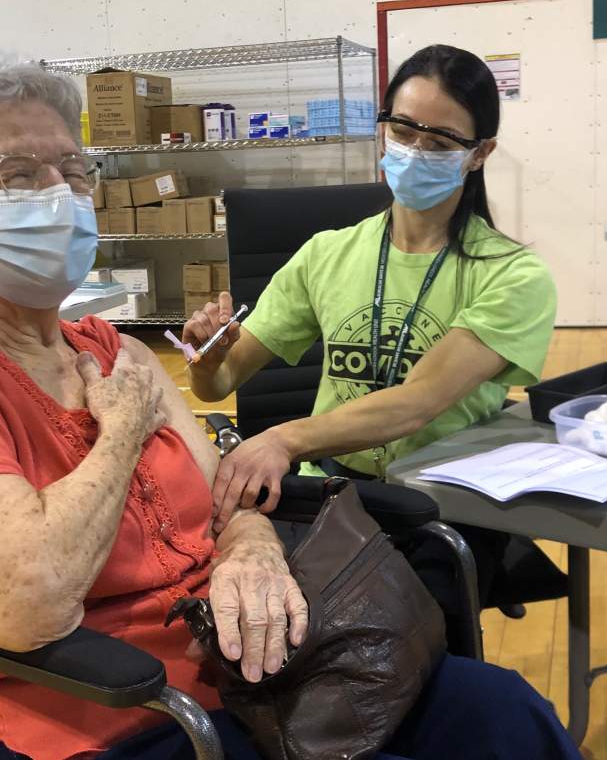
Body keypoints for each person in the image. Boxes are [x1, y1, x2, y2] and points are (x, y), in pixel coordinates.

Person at [0, 49, 580, 760]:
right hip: (119, 712)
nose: (60, 193)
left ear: (478, 153)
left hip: (250, 671)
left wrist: (251, 546)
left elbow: (225, 498)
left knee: (504, 712)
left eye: (73, 170)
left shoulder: (115, 350)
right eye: (17, 174)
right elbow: (22, 599)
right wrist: (126, 432)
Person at [185, 45, 557, 536]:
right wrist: (208, 358)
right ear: (382, 130)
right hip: (330, 501)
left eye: (441, 142)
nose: (414, 152)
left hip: (442, 512)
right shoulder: (326, 255)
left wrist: (284, 440)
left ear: (479, 153)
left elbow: (418, 401)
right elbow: (219, 384)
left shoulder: (512, 275)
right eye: (401, 132)